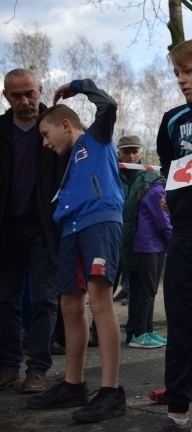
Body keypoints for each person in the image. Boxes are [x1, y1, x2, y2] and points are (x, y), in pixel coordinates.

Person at [27, 79, 126, 423]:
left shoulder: (95, 140)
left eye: (45, 134)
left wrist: (79, 86)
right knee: (69, 304)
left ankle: (112, 392)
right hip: (70, 229)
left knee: (99, 301)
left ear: (66, 125)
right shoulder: (70, 161)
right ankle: (73, 383)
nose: (44, 142)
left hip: (100, 222)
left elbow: (109, 106)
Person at [150, 37, 192, 428]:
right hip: (182, 232)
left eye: (188, 71)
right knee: (179, 321)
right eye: (176, 72)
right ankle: (178, 410)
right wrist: (168, 191)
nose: (181, 79)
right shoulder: (173, 118)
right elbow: (166, 161)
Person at [0, 69, 65, 395]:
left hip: (45, 227)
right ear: (6, 97)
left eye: (30, 93)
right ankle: (9, 366)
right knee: (5, 300)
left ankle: (37, 369)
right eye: (16, 96)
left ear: (41, 90)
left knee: (43, 299)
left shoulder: (56, 127)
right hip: (7, 228)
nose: (25, 101)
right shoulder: (0, 130)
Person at [116, 134, 162, 347]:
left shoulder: (152, 174)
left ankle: (138, 331)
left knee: (139, 287)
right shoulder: (112, 172)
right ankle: (99, 333)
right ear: (119, 152)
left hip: (140, 241)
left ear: (141, 152)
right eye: (126, 151)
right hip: (115, 238)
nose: (131, 155)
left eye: (135, 151)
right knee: (107, 288)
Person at [129, 176, 170, 348]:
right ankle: (139, 334)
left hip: (156, 246)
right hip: (148, 247)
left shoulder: (159, 190)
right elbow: (163, 222)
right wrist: (178, 242)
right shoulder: (157, 192)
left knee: (151, 291)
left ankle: (149, 330)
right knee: (147, 291)